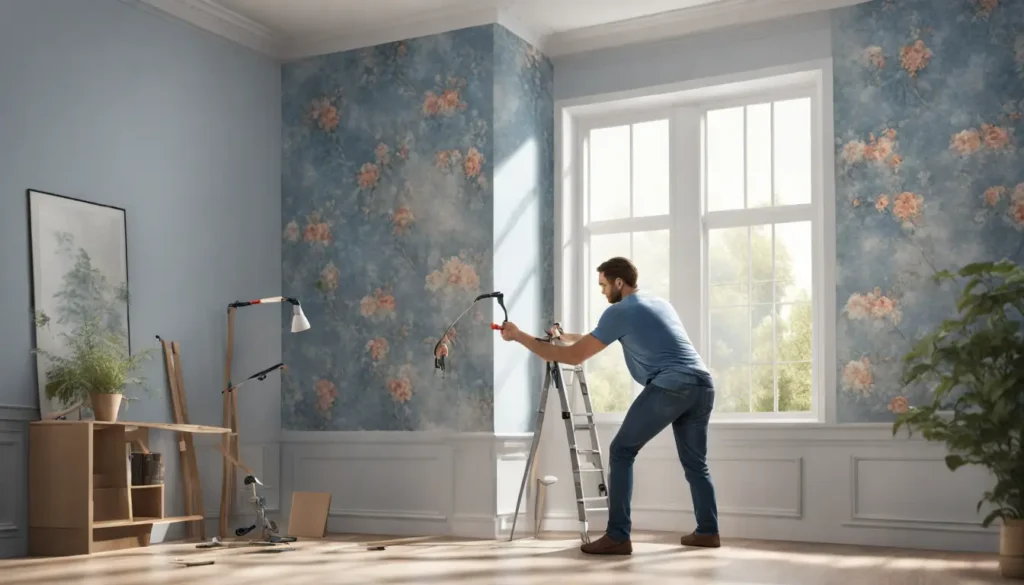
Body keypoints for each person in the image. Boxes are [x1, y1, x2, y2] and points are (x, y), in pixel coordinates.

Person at [498, 256, 720, 555]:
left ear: (619, 282)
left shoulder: (619, 311)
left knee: (621, 451)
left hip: (672, 385)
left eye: (603, 285)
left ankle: (618, 536)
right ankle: (708, 531)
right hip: (702, 385)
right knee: (696, 463)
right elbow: (593, 340)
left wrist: (519, 336)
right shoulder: (658, 304)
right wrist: (563, 337)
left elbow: (574, 356)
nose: (602, 291)